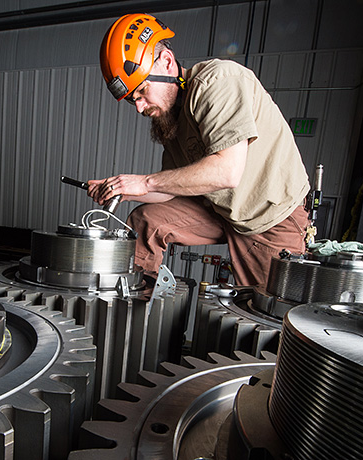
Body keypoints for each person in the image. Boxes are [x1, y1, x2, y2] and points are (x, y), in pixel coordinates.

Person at [88, 13, 310, 288]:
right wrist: (124, 189)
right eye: (132, 100)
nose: (140, 107)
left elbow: (227, 172)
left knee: (262, 314)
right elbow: (172, 186)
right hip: (221, 211)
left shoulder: (218, 82)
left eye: (143, 91)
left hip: (268, 220)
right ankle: (132, 307)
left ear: (167, 62)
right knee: (146, 221)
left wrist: (144, 182)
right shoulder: (170, 117)